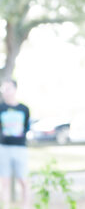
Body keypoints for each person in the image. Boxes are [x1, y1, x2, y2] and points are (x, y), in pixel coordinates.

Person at [0, 79, 31, 209]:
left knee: (23, 179)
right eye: (3, 89)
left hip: (20, 148)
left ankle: (26, 206)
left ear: (14, 89)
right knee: (4, 180)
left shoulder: (24, 109)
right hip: (3, 148)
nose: (5, 92)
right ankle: (5, 206)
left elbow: (26, 127)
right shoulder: (1, 108)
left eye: (8, 88)